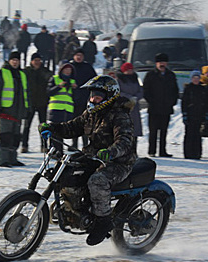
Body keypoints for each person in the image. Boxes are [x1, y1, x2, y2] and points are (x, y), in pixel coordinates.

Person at [38, 75, 136, 246]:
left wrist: (111, 152)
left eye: (98, 95)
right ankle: (73, 208)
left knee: (97, 181)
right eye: (92, 94)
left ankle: (103, 221)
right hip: (94, 156)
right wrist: (51, 127)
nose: (93, 98)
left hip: (119, 162)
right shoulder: (91, 113)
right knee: (66, 167)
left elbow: (125, 141)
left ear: (109, 96)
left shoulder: (119, 116)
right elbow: (71, 127)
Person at [0, 51, 30, 167]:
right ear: (9, 61)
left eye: (17, 60)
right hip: (6, 110)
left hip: (18, 112)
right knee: (5, 136)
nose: (15, 62)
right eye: (13, 60)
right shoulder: (2, 73)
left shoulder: (22, 74)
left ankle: (13, 158)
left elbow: (26, 94)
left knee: (15, 138)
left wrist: (27, 109)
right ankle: (3, 160)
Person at [142, 52, 178, 157]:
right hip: (154, 108)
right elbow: (146, 90)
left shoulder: (171, 75)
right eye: (160, 62)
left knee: (164, 131)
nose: (162, 64)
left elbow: (175, 91)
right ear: (156, 63)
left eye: (164, 62)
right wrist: (152, 101)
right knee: (153, 131)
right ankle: (152, 151)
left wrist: (172, 102)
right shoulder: (150, 75)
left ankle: (163, 151)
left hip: (166, 108)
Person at [22, 52, 52, 153]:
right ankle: (24, 145)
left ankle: (44, 146)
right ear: (31, 61)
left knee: (43, 126)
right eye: (35, 61)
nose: (37, 62)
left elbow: (51, 78)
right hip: (30, 103)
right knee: (26, 126)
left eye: (39, 60)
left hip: (42, 103)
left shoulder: (45, 71)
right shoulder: (26, 71)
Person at [46, 62, 77, 153]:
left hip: (67, 110)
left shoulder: (72, 82)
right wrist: (59, 86)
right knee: (54, 131)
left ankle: (59, 151)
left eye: (69, 70)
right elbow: (49, 92)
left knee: (62, 132)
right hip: (56, 109)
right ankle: (54, 150)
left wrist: (76, 89)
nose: (67, 72)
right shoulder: (55, 79)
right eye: (66, 69)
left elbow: (76, 97)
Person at [69, 48, 97, 148]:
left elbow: (95, 80)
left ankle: (86, 143)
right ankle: (74, 143)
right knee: (74, 122)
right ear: (74, 56)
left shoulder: (88, 67)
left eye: (80, 55)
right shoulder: (70, 67)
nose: (79, 57)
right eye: (77, 55)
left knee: (86, 122)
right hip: (72, 100)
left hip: (86, 99)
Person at [181, 70, 207, 160]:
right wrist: (184, 114)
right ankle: (188, 153)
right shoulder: (188, 89)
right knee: (189, 134)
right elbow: (184, 102)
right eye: (194, 78)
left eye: (197, 78)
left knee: (197, 134)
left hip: (199, 114)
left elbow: (205, 102)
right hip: (190, 114)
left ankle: (197, 153)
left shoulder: (202, 89)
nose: (196, 80)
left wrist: (205, 114)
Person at [116, 62, 143, 148]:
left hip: (134, 107)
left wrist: (136, 98)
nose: (130, 72)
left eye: (131, 70)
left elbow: (140, 90)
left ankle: (133, 149)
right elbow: (118, 92)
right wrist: (129, 97)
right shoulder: (119, 80)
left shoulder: (135, 79)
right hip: (124, 106)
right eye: (128, 70)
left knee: (135, 130)